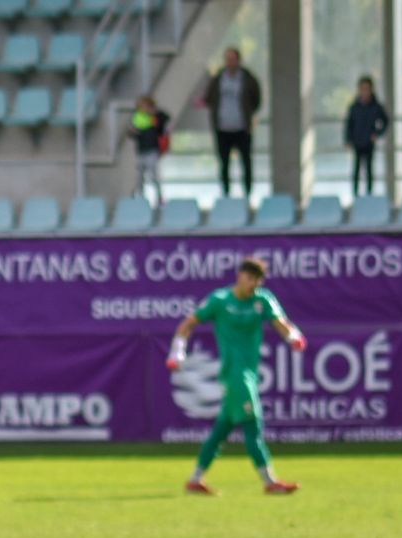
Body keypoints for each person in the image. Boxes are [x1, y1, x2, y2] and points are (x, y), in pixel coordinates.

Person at [167, 255, 304, 496]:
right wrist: (178, 351)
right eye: (250, 279)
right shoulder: (220, 300)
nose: (253, 285)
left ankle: (195, 480)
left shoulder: (262, 299)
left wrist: (293, 336)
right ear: (240, 276)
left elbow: (281, 322)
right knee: (253, 424)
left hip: (248, 372)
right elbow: (188, 324)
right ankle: (270, 481)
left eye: (257, 281)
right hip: (235, 374)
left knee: (222, 430)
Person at [201, 48, 261, 197]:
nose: (230, 62)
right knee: (224, 164)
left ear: (238, 61)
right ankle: (226, 194)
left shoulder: (247, 78)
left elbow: (256, 99)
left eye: (233, 59)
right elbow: (209, 97)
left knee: (246, 162)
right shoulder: (219, 79)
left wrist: (248, 114)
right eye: (228, 59)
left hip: (242, 128)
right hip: (223, 128)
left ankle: (247, 193)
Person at [344, 76, 390, 197]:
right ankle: (355, 195)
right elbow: (349, 124)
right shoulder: (354, 107)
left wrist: (377, 134)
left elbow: (385, 121)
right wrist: (348, 139)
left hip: (369, 143)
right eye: (362, 89)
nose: (364, 91)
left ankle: (369, 195)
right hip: (357, 142)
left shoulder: (376, 106)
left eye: (367, 89)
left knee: (369, 170)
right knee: (356, 170)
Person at [129, 95, 170, 207]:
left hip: (152, 150)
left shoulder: (155, 118)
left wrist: (153, 113)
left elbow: (165, 120)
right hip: (141, 150)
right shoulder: (138, 118)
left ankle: (159, 198)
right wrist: (133, 131)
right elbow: (132, 133)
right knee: (140, 176)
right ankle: (141, 198)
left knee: (153, 175)